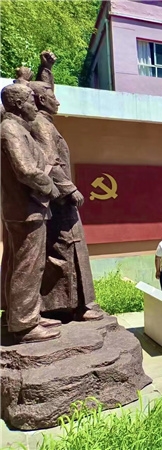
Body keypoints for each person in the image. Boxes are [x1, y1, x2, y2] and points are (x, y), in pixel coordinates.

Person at [29, 80, 102, 322]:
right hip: (60, 201)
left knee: (66, 250)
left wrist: (46, 68)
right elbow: (50, 163)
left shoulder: (42, 122)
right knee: (70, 249)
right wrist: (70, 189)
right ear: (41, 100)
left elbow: (40, 88)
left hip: (56, 199)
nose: (58, 101)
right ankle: (76, 306)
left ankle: (68, 305)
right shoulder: (41, 125)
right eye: (52, 97)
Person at [1, 82, 62, 343]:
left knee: (22, 264)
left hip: (26, 209)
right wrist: (50, 187)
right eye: (29, 101)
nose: (34, 106)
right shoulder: (11, 130)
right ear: (17, 104)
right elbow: (26, 170)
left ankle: (23, 315)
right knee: (28, 266)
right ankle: (25, 325)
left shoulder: (17, 128)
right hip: (26, 210)